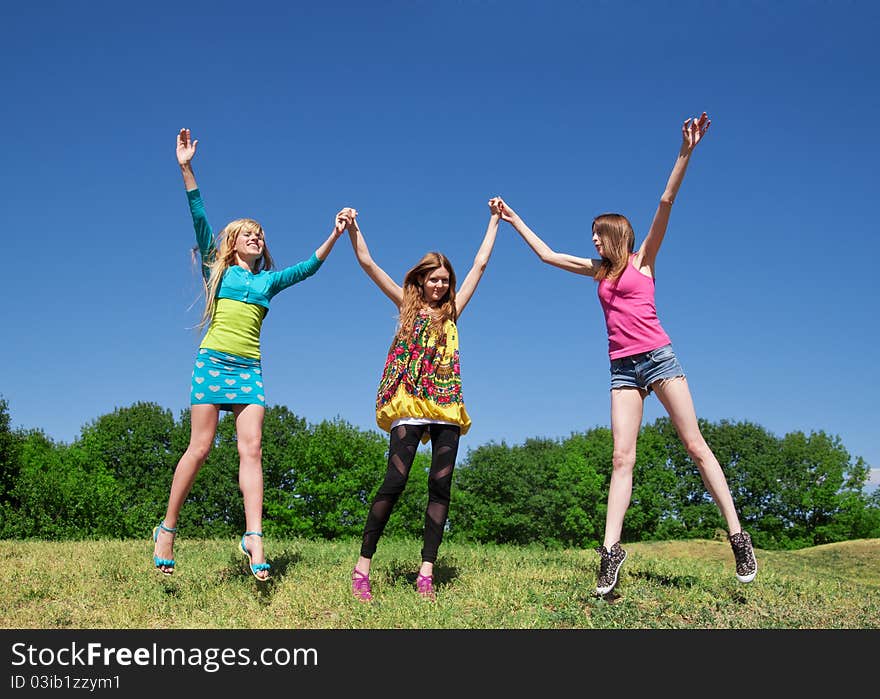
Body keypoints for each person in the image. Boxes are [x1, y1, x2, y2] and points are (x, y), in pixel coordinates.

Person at [496, 112, 757, 596]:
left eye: (599, 234)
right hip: (622, 371)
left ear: (618, 235)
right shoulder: (598, 273)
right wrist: (513, 220)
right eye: (592, 235)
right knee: (621, 458)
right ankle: (610, 553)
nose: (593, 240)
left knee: (695, 447)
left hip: (659, 358)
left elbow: (665, 201)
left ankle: (738, 535)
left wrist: (685, 151)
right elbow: (549, 256)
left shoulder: (644, 262)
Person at [152, 128, 351, 581]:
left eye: (260, 234)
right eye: (248, 234)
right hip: (213, 363)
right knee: (199, 449)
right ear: (231, 243)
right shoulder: (217, 268)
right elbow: (199, 214)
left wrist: (336, 233)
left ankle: (254, 536)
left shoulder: (267, 282)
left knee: (253, 449)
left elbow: (309, 267)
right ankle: (167, 528)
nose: (256, 238)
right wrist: (186, 167)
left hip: (248, 371)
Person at [345, 199, 501, 601]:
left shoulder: (453, 311)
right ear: (421, 281)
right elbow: (368, 263)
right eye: (434, 279)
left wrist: (494, 220)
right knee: (395, 481)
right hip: (410, 401)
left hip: (446, 403)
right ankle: (362, 566)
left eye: (445, 280)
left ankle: (426, 572)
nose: (441, 286)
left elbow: (480, 265)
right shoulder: (405, 305)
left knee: (440, 485)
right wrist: (353, 229)